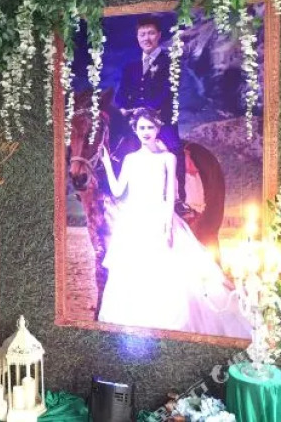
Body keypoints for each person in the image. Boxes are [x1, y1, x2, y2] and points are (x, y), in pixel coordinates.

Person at [97, 108, 250, 338]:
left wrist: (168, 225)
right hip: (134, 221)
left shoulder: (167, 158)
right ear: (135, 130)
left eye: (150, 127)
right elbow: (118, 191)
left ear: (157, 128)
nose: (146, 132)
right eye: (141, 128)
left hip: (160, 217)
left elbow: (169, 195)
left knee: (170, 273)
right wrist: (108, 164)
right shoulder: (130, 159)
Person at [114, 16, 189, 215]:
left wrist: (144, 111)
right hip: (134, 123)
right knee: (115, 146)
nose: (146, 38)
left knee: (174, 148)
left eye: (151, 33)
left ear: (159, 35)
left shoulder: (170, 63)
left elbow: (166, 92)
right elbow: (121, 95)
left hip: (162, 122)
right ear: (137, 37)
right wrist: (122, 107)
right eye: (142, 34)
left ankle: (179, 198)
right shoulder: (130, 67)